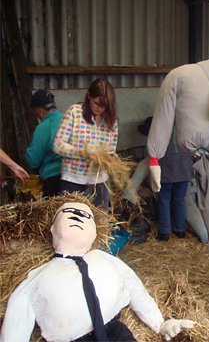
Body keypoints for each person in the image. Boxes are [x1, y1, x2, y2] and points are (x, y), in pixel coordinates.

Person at [0, 202, 195, 341]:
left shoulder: (105, 259)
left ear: (94, 232)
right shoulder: (37, 278)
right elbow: (17, 321)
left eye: (86, 216)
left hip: (115, 331)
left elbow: (136, 289)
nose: (77, 216)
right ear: (52, 229)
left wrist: (159, 323)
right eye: (68, 212)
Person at [53, 78, 118, 208]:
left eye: (104, 105)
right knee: (73, 221)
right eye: (96, 103)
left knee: (100, 224)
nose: (100, 108)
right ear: (89, 96)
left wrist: (110, 158)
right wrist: (83, 152)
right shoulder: (75, 113)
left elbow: (112, 149)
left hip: (100, 181)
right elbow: (58, 145)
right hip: (73, 179)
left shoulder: (111, 120)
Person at [25, 89, 63, 197]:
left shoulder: (44, 127)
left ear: (39, 109)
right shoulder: (69, 119)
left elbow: (33, 161)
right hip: (74, 178)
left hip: (54, 181)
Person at [156, 138, 194, 241]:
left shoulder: (162, 123)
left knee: (164, 200)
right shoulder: (187, 124)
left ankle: (164, 232)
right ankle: (180, 230)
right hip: (184, 167)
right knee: (179, 199)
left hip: (166, 166)